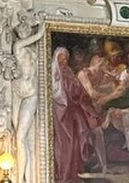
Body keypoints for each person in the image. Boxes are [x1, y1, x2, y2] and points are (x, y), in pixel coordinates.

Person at [51, 47, 97, 183]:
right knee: (64, 143)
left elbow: (79, 91)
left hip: (72, 112)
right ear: (56, 58)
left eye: (66, 57)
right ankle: (62, 175)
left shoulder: (70, 72)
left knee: (75, 142)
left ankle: (73, 174)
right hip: (61, 114)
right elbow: (57, 93)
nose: (64, 60)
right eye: (61, 57)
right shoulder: (54, 74)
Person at [12, 16, 45, 183]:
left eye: (26, 29)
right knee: (15, 135)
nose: (24, 31)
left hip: (31, 93)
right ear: (18, 33)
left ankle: (25, 177)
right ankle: (18, 174)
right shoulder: (18, 45)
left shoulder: (32, 50)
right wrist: (41, 22)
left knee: (21, 136)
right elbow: (38, 35)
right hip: (17, 91)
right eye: (21, 30)